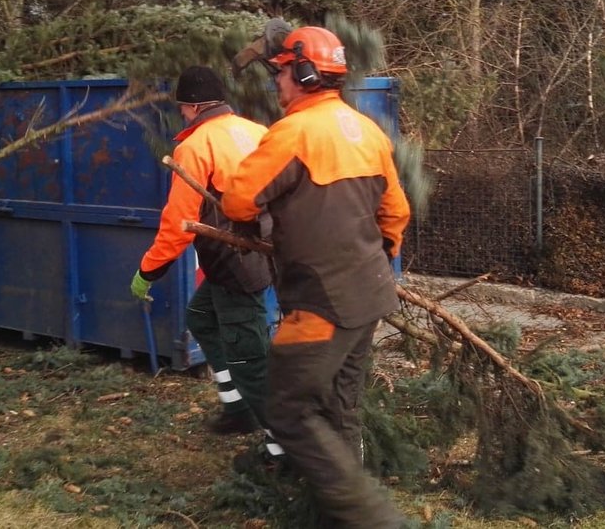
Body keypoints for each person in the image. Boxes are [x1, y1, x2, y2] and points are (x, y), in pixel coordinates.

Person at [220, 27, 410, 529]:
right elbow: (396, 213)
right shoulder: (367, 131)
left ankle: (371, 518)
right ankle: (337, 520)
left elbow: (239, 199)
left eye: (280, 72)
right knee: (338, 409)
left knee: (289, 411)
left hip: (322, 303)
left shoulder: (294, 133)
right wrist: (372, 258)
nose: (276, 82)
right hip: (369, 294)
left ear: (303, 74)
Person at [130, 66, 276, 439]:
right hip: (262, 252)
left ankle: (281, 447)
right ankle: (238, 409)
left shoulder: (195, 146)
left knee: (249, 356)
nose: (182, 115)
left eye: (182, 109)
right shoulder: (257, 132)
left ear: (193, 107)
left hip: (234, 263)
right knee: (202, 318)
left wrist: (149, 271)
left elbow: (179, 221)